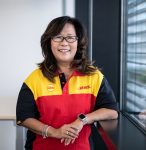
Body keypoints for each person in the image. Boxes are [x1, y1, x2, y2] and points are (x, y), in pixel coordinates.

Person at [16, 16, 118, 150]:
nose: (64, 43)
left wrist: (82, 120)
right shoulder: (34, 78)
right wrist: (54, 132)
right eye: (58, 37)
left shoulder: (94, 76)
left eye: (70, 37)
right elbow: (24, 117)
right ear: (49, 42)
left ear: (78, 42)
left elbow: (111, 111)